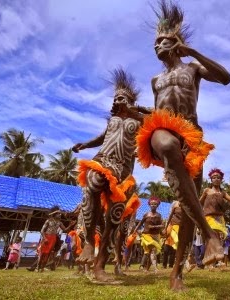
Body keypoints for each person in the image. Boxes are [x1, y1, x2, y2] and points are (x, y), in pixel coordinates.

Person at [133, 1, 230, 290]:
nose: (156, 47)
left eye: (162, 41)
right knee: (165, 143)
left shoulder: (193, 69)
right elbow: (154, 113)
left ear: (176, 43)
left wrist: (194, 52)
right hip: (162, 130)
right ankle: (208, 232)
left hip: (191, 136)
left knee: (190, 205)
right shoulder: (156, 79)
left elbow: (226, 78)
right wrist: (133, 113)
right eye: (154, 44)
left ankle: (176, 272)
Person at [72, 68, 145, 283]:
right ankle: (87, 242)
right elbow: (103, 138)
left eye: (123, 98)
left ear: (131, 101)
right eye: (116, 98)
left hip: (123, 170)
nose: (118, 100)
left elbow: (153, 124)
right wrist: (85, 144)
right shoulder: (112, 120)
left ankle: (100, 265)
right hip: (103, 160)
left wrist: (132, 112)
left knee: (114, 217)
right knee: (93, 182)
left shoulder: (139, 120)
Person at [199, 168, 230, 265]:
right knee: (213, 235)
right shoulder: (207, 190)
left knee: (218, 238)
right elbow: (199, 202)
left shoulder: (223, 193)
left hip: (220, 217)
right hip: (209, 217)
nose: (216, 179)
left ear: (221, 180)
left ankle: (212, 261)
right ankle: (215, 259)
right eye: (214, 177)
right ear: (211, 179)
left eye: (218, 177)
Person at [133, 197, 164, 273]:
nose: (153, 205)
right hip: (147, 235)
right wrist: (136, 230)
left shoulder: (159, 215)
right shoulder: (146, 214)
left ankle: (146, 268)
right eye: (152, 204)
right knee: (152, 250)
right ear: (149, 205)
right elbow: (140, 223)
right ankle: (155, 268)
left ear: (157, 205)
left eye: (155, 204)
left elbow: (162, 225)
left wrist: (157, 228)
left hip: (156, 235)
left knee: (151, 252)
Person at [37, 206, 74, 272]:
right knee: (42, 253)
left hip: (53, 238)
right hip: (47, 237)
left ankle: (42, 268)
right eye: (58, 214)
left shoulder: (59, 223)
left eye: (60, 214)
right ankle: (38, 267)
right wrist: (45, 238)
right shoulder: (48, 221)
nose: (60, 215)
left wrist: (70, 225)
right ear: (54, 214)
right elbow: (42, 230)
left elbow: (65, 230)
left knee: (48, 253)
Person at [162, 201, 182, 269]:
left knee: (174, 249)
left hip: (179, 228)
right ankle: (164, 264)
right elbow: (169, 217)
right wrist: (165, 228)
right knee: (166, 249)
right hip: (171, 228)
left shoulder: (186, 206)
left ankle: (171, 265)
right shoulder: (175, 205)